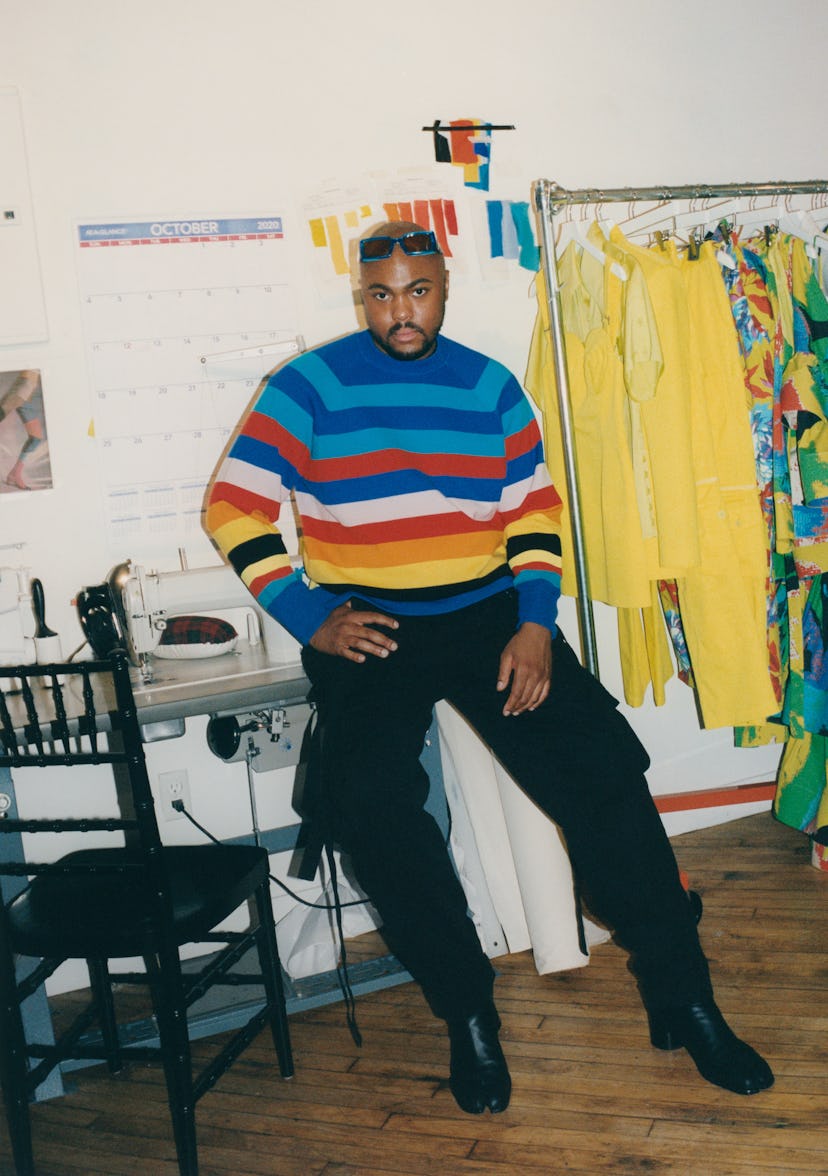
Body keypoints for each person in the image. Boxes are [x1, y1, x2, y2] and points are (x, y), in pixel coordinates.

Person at [205, 221, 773, 1114]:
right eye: (381, 295)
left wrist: (536, 623)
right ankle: (469, 1011)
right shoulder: (305, 386)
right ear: (361, 297)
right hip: (373, 625)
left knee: (606, 780)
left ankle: (685, 999)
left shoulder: (489, 384)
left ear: (443, 288)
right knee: (371, 812)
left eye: (417, 290)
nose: (400, 311)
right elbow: (232, 508)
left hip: (488, 616)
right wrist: (312, 618)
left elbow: (533, 511)